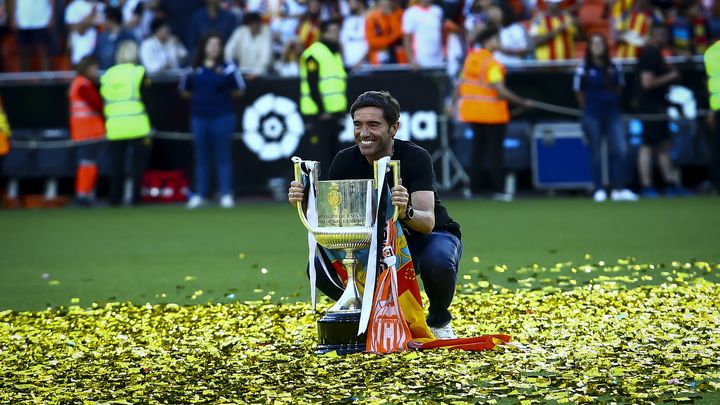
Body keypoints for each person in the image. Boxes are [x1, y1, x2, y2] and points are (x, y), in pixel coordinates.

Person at [288, 90, 463, 339]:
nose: (364, 133)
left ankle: (438, 321)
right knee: (318, 267)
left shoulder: (415, 157)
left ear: (394, 128)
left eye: (373, 124)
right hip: (372, 243)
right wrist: (306, 202)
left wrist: (405, 210)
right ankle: (366, 312)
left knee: (438, 261)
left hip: (424, 238)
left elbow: (427, 222)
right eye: (358, 125)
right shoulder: (345, 160)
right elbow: (334, 221)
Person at [455, 28, 533, 200]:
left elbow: (460, 83)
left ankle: (474, 189)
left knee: (477, 152)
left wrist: (452, 103)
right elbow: (500, 90)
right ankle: (498, 190)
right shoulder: (491, 64)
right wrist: (522, 102)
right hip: (493, 114)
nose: (499, 43)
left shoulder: (471, 59)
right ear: (489, 41)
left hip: (473, 113)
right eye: (497, 39)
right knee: (495, 152)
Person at [180, 33, 245, 209]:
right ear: (204, 47)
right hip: (199, 116)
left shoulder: (228, 67)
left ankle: (225, 194)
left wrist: (221, 96)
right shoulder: (194, 67)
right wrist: (202, 98)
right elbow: (184, 89)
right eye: (211, 44)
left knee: (223, 156)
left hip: (223, 116)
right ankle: (201, 194)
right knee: (202, 157)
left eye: (217, 44)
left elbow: (239, 89)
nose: (214, 48)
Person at [574, 34, 639, 202]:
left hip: (612, 113)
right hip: (592, 114)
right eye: (594, 43)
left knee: (620, 150)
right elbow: (579, 91)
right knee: (596, 152)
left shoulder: (615, 66)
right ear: (589, 47)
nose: (597, 46)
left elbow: (619, 87)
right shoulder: (583, 68)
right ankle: (599, 189)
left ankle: (618, 188)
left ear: (605, 46)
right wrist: (587, 108)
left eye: (600, 43)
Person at [636, 24, 688, 197]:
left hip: (659, 105)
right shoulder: (650, 54)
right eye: (664, 35)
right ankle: (647, 185)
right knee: (648, 145)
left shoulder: (657, 53)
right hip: (650, 106)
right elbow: (647, 83)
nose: (666, 38)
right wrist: (671, 76)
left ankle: (670, 182)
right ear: (656, 35)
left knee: (663, 145)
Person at [100, 41, 152, 206]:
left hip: (114, 125)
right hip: (137, 124)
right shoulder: (139, 72)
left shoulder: (108, 75)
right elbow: (148, 97)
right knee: (137, 164)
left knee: (116, 164)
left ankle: (114, 198)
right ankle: (135, 198)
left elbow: (104, 98)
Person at [299, 19, 347, 175]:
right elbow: (312, 85)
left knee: (333, 154)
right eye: (332, 31)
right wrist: (321, 111)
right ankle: (320, 192)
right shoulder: (314, 53)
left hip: (333, 113)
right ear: (324, 33)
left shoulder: (335, 53)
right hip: (319, 114)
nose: (336, 34)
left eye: (337, 31)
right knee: (321, 155)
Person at [69, 56, 105, 205]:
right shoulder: (83, 85)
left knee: (87, 164)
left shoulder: (77, 83)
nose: (96, 71)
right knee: (87, 164)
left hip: (83, 131)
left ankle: (84, 194)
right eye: (94, 68)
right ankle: (83, 195)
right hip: (88, 132)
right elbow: (97, 104)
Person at [9, 0, 55, 71]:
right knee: (23, 52)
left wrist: (52, 16)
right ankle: (24, 78)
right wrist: (13, 17)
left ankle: (47, 78)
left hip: (42, 19)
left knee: (43, 51)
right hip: (22, 19)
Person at [224, 11, 272, 79]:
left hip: (262, 74)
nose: (255, 26)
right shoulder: (240, 31)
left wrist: (258, 72)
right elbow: (228, 51)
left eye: (257, 23)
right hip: (243, 71)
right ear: (247, 25)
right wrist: (231, 68)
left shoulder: (266, 31)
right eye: (252, 24)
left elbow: (266, 56)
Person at [402, 0, 444, 69]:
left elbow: (442, 34)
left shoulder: (438, 11)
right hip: (420, 62)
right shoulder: (410, 13)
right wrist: (411, 60)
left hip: (438, 62)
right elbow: (407, 39)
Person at [365, 0, 406, 65]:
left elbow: (401, 33)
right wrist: (392, 38)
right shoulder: (372, 19)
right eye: (382, 3)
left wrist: (391, 14)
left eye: (387, 3)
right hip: (379, 61)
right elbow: (372, 42)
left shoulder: (401, 15)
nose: (384, 6)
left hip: (400, 60)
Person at [704, 39, 720, 193]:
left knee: (716, 149)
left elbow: (709, 82)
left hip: (716, 107)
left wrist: (711, 110)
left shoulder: (711, 52)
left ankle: (715, 184)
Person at [339, 0, 368, 68]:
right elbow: (342, 42)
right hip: (348, 65)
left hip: (365, 66)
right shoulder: (347, 21)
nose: (349, 4)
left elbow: (371, 43)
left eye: (352, 2)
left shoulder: (369, 19)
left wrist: (361, 62)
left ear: (360, 2)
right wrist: (343, 60)